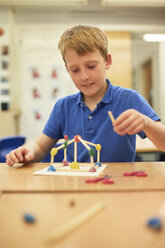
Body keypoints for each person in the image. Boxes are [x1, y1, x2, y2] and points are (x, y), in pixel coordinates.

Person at [6, 25, 165, 167]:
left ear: (107, 61)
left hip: (117, 186)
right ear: (68, 70)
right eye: (75, 70)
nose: (84, 76)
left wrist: (146, 123)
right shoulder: (63, 107)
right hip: (75, 185)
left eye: (91, 66)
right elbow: (40, 147)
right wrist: (28, 151)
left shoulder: (129, 99)